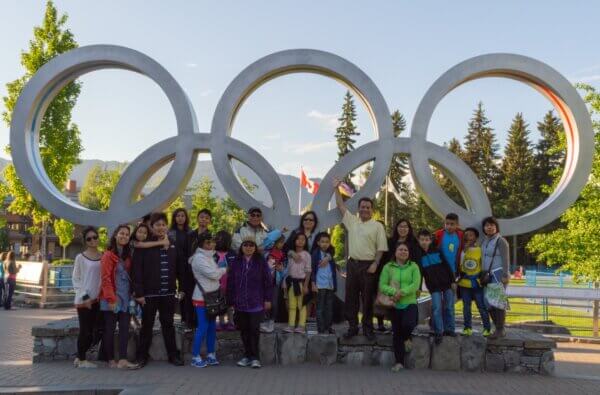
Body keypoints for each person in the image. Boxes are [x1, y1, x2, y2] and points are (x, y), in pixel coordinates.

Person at [333, 177, 388, 340]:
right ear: (358, 209)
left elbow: (381, 249)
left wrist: (376, 264)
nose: (365, 209)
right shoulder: (352, 222)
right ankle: (352, 326)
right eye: (362, 207)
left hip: (368, 266)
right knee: (351, 298)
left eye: (368, 207)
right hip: (352, 264)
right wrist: (336, 188)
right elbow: (340, 206)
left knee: (367, 299)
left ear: (372, 210)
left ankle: (368, 328)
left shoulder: (378, 226)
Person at [133, 212, 183, 367]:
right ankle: (142, 356)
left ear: (166, 226)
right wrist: (139, 293)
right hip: (149, 295)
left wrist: (181, 288)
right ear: (152, 227)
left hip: (168, 293)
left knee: (168, 325)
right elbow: (137, 271)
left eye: (163, 224)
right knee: (146, 326)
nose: (161, 227)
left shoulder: (173, 244)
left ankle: (173, 355)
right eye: (157, 225)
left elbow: (180, 269)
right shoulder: (144, 245)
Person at [227, 238, 272, 369]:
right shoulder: (236, 261)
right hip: (240, 303)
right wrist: (231, 299)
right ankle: (247, 356)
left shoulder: (261, 261)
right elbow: (231, 282)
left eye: (251, 245)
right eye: (245, 245)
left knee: (254, 330)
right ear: (241, 247)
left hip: (256, 302)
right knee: (244, 331)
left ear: (255, 247)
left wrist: (268, 299)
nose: (248, 247)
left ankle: (255, 358)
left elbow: (268, 281)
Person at [99, 225, 138, 369]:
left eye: (127, 234)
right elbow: (106, 279)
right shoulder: (108, 255)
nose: (124, 236)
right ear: (115, 235)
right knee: (109, 329)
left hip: (126, 297)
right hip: (112, 297)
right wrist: (111, 299)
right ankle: (110, 360)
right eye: (122, 233)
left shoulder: (128, 255)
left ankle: (123, 359)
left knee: (124, 329)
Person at [379, 242, 421, 372]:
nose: (403, 252)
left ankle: (408, 337)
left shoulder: (413, 266)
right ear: (395, 252)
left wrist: (401, 292)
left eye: (406, 250)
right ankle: (399, 362)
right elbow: (382, 285)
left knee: (408, 325)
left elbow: (415, 284)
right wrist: (393, 292)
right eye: (400, 249)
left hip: (410, 302)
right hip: (395, 304)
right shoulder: (388, 267)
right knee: (397, 334)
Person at [376, 218, 421, 332]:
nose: (403, 229)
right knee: (388, 302)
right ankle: (385, 324)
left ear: (409, 229)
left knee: (407, 305)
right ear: (396, 228)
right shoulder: (390, 242)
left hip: (408, 279)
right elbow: (383, 260)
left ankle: (406, 330)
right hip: (391, 277)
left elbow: (418, 265)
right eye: (400, 226)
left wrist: (418, 286)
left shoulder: (414, 244)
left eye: (405, 226)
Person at [189, 232, 226, 368]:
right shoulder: (199, 258)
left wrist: (218, 271)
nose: (211, 244)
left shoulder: (209, 256)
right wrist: (223, 270)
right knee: (203, 327)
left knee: (211, 327)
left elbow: (214, 275)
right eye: (207, 242)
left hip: (212, 296)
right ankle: (195, 356)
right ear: (201, 244)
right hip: (202, 297)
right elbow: (213, 274)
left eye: (212, 242)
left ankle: (211, 354)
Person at [417, 229, 456, 345]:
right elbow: (419, 273)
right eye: (422, 240)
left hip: (447, 283)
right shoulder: (418, 256)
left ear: (430, 240)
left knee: (449, 307)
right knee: (437, 308)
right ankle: (439, 331)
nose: (424, 242)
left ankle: (450, 329)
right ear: (418, 240)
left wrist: (453, 281)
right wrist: (419, 287)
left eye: (427, 240)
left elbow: (447, 266)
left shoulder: (437, 251)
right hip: (433, 287)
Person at [72, 227, 103, 368]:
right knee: (85, 330)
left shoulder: (103, 256)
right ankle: (82, 359)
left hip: (97, 300)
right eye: (89, 238)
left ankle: (79, 358)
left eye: (95, 237)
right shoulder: (80, 257)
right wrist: (85, 296)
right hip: (84, 300)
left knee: (95, 330)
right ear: (85, 241)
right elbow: (76, 279)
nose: (93, 240)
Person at [458, 227, 491, 337]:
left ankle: (487, 328)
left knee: (481, 306)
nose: (468, 237)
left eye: (471, 235)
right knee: (466, 306)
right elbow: (460, 265)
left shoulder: (480, 250)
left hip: (477, 283)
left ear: (476, 238)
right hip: (464, 283)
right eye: (466, 235)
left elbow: (484, 266)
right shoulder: (461, 250)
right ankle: (467, 327)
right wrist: (464, 251)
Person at [481, 216, 510, 339]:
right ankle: (497, 327)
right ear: (484, 228)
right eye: (487, 225)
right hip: (487, 275)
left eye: (492, 225)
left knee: (497, 302)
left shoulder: (500, 241)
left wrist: (504, 274)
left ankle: (500, 329)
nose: (489, 227)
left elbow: (505, 258)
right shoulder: (485, 241)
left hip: (497, 274)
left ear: (496, 227)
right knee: (488, 303)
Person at [169, 208, 194, 331]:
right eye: (178, 215)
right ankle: (170, 319)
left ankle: (186, 319)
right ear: (174, 218)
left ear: (186, 218)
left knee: (185, 291)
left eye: (182, 215)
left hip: (186, 265)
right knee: (171, 290)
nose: (180, 218)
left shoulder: (190, 232)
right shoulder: (170, 232)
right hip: (173, 264)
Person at [283, 233, 311, 334]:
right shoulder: (290, 254)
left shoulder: (307, 255)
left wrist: (306, 285)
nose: (300, 241)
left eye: (303, 239)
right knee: (292, 305)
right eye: (298, 239)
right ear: (294, 241)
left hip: (301, 283)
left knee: (302, 305)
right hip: (291, 283)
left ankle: (301, 326)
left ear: (305, 242)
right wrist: (292, 252)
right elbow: (287, 250)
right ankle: (291, 325)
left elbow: (308, 271)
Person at [260, 229, 286, 333]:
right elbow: (268, 239)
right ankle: (262, 322)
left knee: (274, 303)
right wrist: (280, 232)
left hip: (275, 281)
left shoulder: (282, 254)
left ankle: (271, 322)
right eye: (280, 242)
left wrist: (281, 270)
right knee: (262, 302)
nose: (282, 245)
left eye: (283, 243)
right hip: (264, 282)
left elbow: (284, 269)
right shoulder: (266, 250)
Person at [311, 232, 337, 334]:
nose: (325, 244)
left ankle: (328, 327)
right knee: (320, 308)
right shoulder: (315, 254)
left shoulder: (330, 255)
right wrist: (313, 283)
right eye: (322, 242)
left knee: (329, 308)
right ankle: (321, 328)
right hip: (319, 285)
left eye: (327, 242)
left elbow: (333, 270)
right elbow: (312, 269)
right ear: (318, 243)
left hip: (329, 285)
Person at [214, 230, 236, 331]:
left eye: (223, 239)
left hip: (230, 283)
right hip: (216, 284)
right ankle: (221, 322)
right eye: (219, 239)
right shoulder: (213, 253)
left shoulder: (232, 253)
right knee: (219, 304)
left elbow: (236, 268)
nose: (221, 241)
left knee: (230, 304)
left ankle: (231, 322)